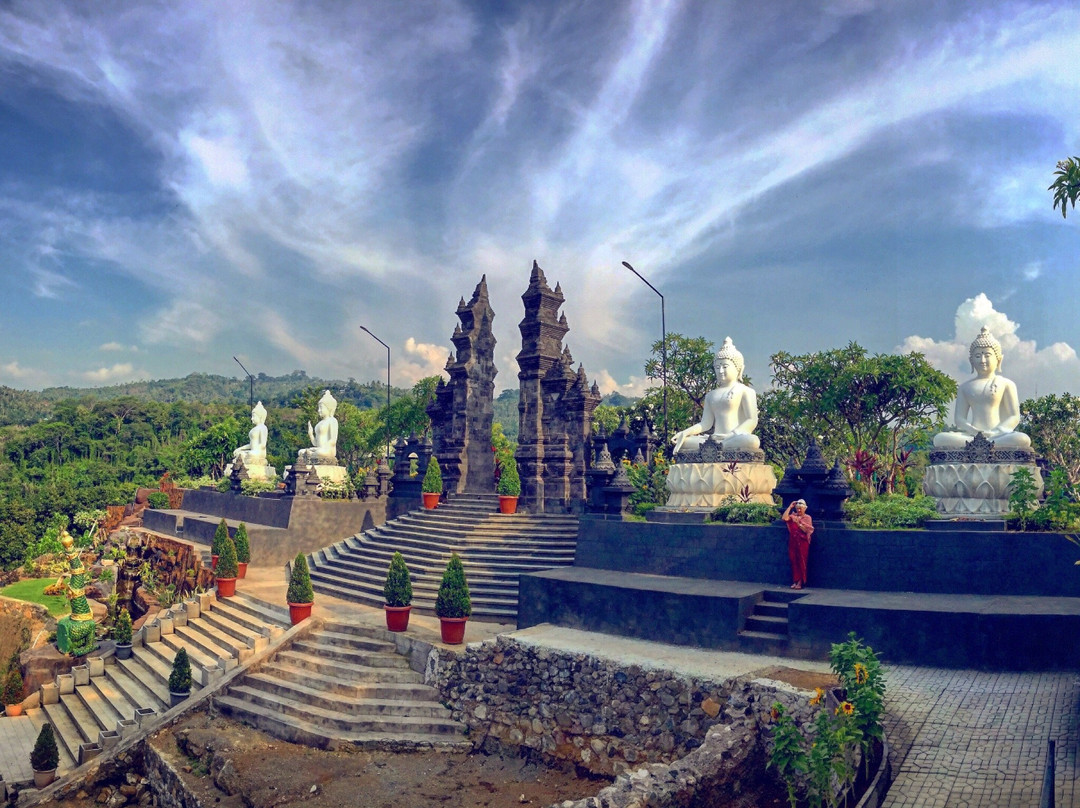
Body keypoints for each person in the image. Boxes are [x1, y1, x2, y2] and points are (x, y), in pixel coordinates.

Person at [933, 326, 1031, 449]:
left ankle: (989, 443)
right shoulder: (965, 387)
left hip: (998, 436)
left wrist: (996, 432)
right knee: (940, 439)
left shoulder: (1006, 384)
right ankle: (984, 444)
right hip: (971, 436)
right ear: (971, 360)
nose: (982, 360)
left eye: (987, 355)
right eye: (978, 356)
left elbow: (1014, 416)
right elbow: (959, 419)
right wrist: (973, 431)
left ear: (998, 359)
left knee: (1022, 439)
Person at [671, 337, 760, 454]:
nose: (720, 371)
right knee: (685, 442)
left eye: (725, 366)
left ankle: (718, 447)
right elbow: (705, 424)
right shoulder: (711, 395)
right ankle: (717, 447)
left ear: (738, 369)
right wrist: (685, 433)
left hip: (734, 438)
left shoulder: (745, 391)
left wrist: (731, 435)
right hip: (714, 439)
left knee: (752, 441)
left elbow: (752, 420)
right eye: (717, 368)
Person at [298, 390, 339, 464]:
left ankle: (313, 454)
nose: (319, 410)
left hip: (327, 450)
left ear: (328, 408)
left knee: (320, 452)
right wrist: (311, 434)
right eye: (319, 408)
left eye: (321, 408)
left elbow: (333, 441)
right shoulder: (319, 423)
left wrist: (320, 448)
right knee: (301, 452)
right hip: (318, 449)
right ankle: (312, 454)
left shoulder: (332, 421)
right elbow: (315, 443)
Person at [782, 499, 813, 590]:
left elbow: (807, 530)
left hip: (802, 541)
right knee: (793, 560)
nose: (799, 510)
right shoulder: (793, 516)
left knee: (801, 561)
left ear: (805, 509)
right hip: (793, 540)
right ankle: (795, 580)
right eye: (797, 508)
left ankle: (800, 581)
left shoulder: (807, 518)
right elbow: (784, 518)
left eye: (801, 509)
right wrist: (790, 507)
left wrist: (798, 523)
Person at [232, 401, 269, 466]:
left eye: (254, 416)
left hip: (259, 452)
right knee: (238, 454)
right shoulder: (254, 428)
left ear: (260, 417)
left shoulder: (263, 428)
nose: (252, 419)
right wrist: (240, 448)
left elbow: (263, 444)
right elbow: (251, 444)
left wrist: (254, 451)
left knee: (249, 455)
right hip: (252, 451)